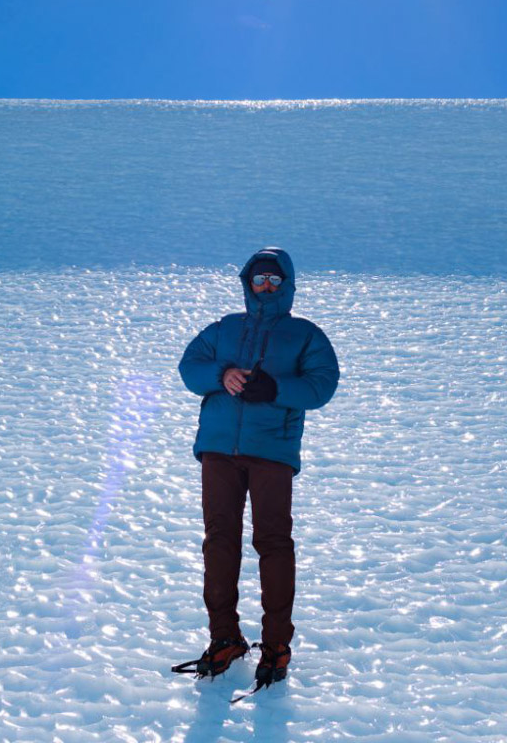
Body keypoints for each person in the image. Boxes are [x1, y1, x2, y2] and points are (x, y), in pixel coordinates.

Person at [176, 247, 339, 687]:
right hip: (218, 451)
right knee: (219, 542)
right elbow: (189, 367)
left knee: (273, 542)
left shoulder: (304, 335)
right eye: (259, 279)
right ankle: (224, 638)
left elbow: (322, 384)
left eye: (274, 281)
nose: (265, 287)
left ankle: (276, 645)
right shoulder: (224, 329)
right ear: (247, 283)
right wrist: (221, 374)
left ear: (287, 286)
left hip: (272, 451)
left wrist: (274, 387)